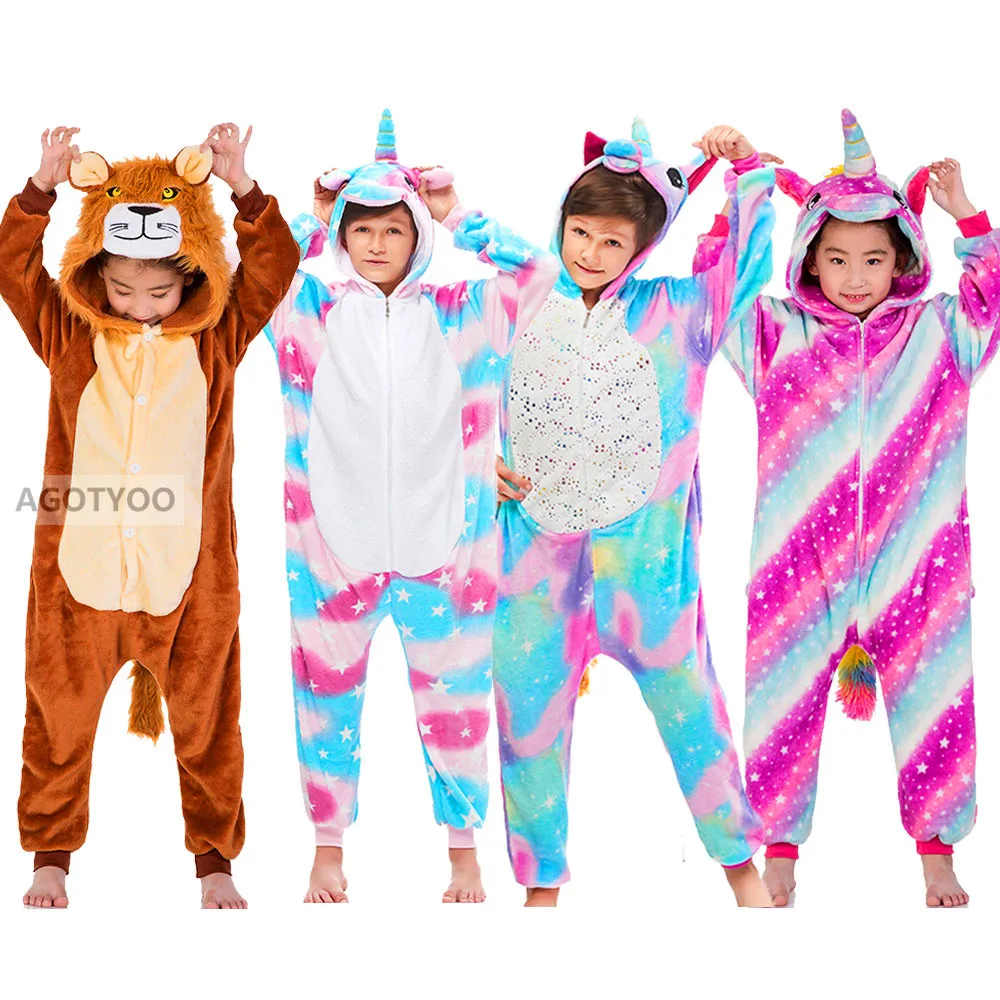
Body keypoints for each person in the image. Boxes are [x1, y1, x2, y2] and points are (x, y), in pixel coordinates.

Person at [263, 110, 557, 903]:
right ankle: (327, 849)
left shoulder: (465, 311)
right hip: (330, 551)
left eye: (394, 228)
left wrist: (457, 213)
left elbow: (541, 273)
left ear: (418, 234)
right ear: (342, 235)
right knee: (322, 703)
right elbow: (242, 275)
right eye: (360, 228)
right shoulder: (307, 310)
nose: (376, 242)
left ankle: (463, 853)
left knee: (457, 707)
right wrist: (311, 218)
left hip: (449, 552)